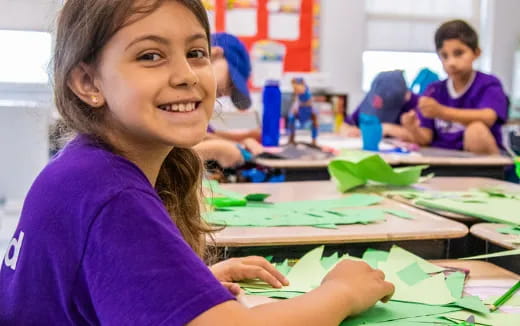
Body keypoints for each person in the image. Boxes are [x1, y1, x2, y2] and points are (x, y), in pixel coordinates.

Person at [0, 1, 394, 325]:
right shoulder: (109, 192)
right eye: (150, 56)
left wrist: (189, 288)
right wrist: (341, 293)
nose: (186, 75)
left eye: (195, 53)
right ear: (88, 83)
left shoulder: (82, 165)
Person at [401, 19, 509, 154]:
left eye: (458, 53)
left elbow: (488, 117)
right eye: (444, 56)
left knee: (476, 130)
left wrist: (441, 112)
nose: (451, 62)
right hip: (446, 161)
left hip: (483, 162)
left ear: (476, 53)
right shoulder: (434, 90)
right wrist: (412, 128)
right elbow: (426, 138)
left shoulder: (488, 84)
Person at [193, 32, 262, 168]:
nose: (224, 93)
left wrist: (240, 144)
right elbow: (160, 153)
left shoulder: (197, 107)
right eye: (230, 80)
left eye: (231, 91)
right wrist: (217, 149)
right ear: (215, 54)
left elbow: (202, 137)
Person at [342, 70, 418, 142]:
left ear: (406, 96)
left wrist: (389, 128)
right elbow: (345, 125)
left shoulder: (419, 104)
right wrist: (349, 130)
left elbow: (424, 138)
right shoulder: (369, 100)